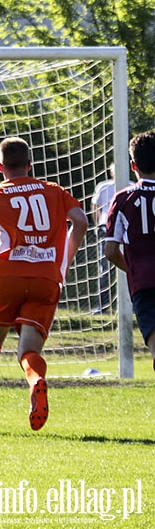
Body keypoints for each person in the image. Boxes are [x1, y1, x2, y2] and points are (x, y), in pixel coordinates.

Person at [0, 137, 87, 433]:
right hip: (46, 277)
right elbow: (80, 221)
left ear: (0, 166)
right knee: (28, 349)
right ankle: (35, 380)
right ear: (30, 164)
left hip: (8, 276)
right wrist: (63, 261)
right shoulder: (54, 190)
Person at [104, 131, 155, 372]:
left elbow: (111, 250)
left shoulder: (123, 198)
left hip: (144, 284)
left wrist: (131, 269)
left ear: (133, 165)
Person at [90, 165, 116, 313]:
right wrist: (98, 223)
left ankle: (128, 305)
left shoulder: (130, 186)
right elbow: (95, 206)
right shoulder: (103, 186)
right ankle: (102, 306)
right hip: (105, 229)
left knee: (128, 268)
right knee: (104, 268)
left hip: (125, 230)